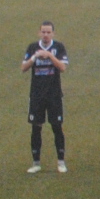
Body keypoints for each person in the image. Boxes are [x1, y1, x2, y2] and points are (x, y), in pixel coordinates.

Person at [22, 19, 69, 174]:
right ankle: (36, 163)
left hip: (54, 95)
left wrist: (49, 56)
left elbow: (62, 67)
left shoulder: (58, 47)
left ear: (53, 33)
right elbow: (23, 67)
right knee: (36, 127)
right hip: (36, 95)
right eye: (43, 32)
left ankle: (61, 161)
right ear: (39, 33)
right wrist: (34, 57)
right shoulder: (33, 47)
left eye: (48, 32)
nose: (46, 35)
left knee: (57, 127)